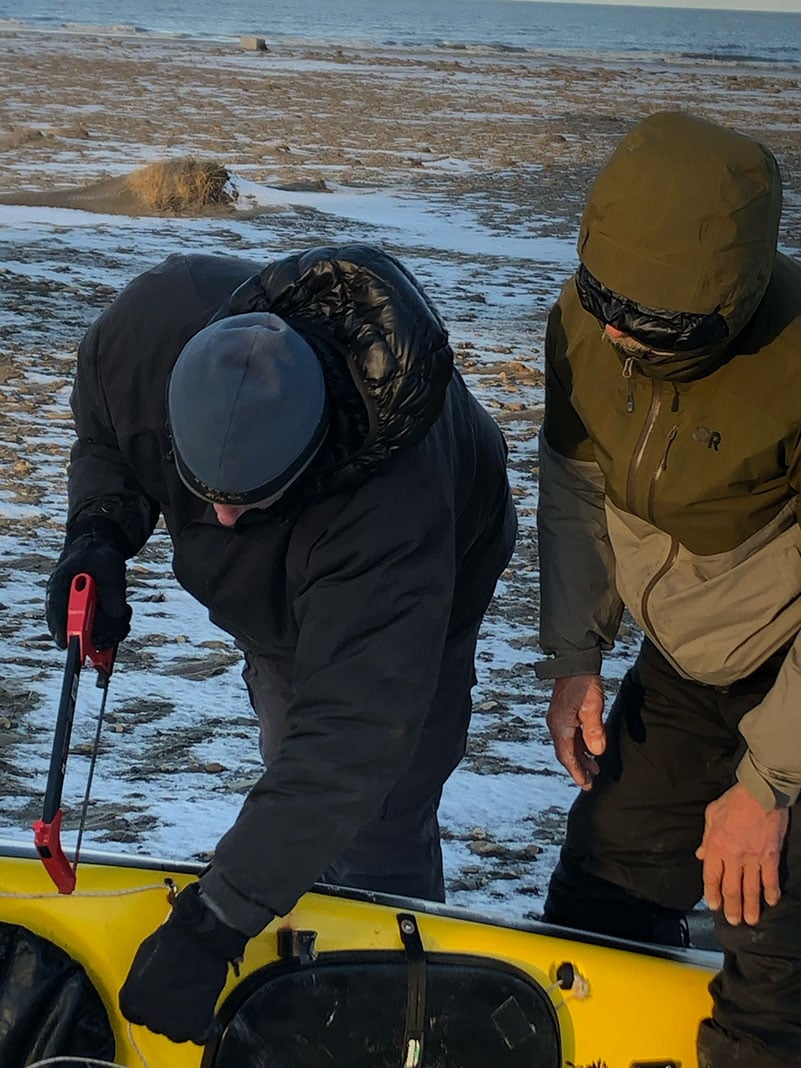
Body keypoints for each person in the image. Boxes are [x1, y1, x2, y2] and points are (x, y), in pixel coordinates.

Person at [44, 243, 517, 1044]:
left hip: (418, 603)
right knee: (290, 755)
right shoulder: (150, 329)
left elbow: (353, 737)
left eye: (250, 500)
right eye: (206, 493)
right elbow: (103, 433)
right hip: (287, 601)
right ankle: (295, 881)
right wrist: (99, 529)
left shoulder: (391, 510)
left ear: (313, 452)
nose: (222, 520)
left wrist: (212, 923)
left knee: (379, 816)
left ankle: (385, 1015)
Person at [535, 110, 801, 1068]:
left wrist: (766, 785)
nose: (612, 328)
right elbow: (574, 484)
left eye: (647, 322)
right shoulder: (581, 322)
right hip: (688, 659)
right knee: (598, 890)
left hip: (794, 671)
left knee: (769, 951)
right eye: (602, 296)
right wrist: (574, 657)